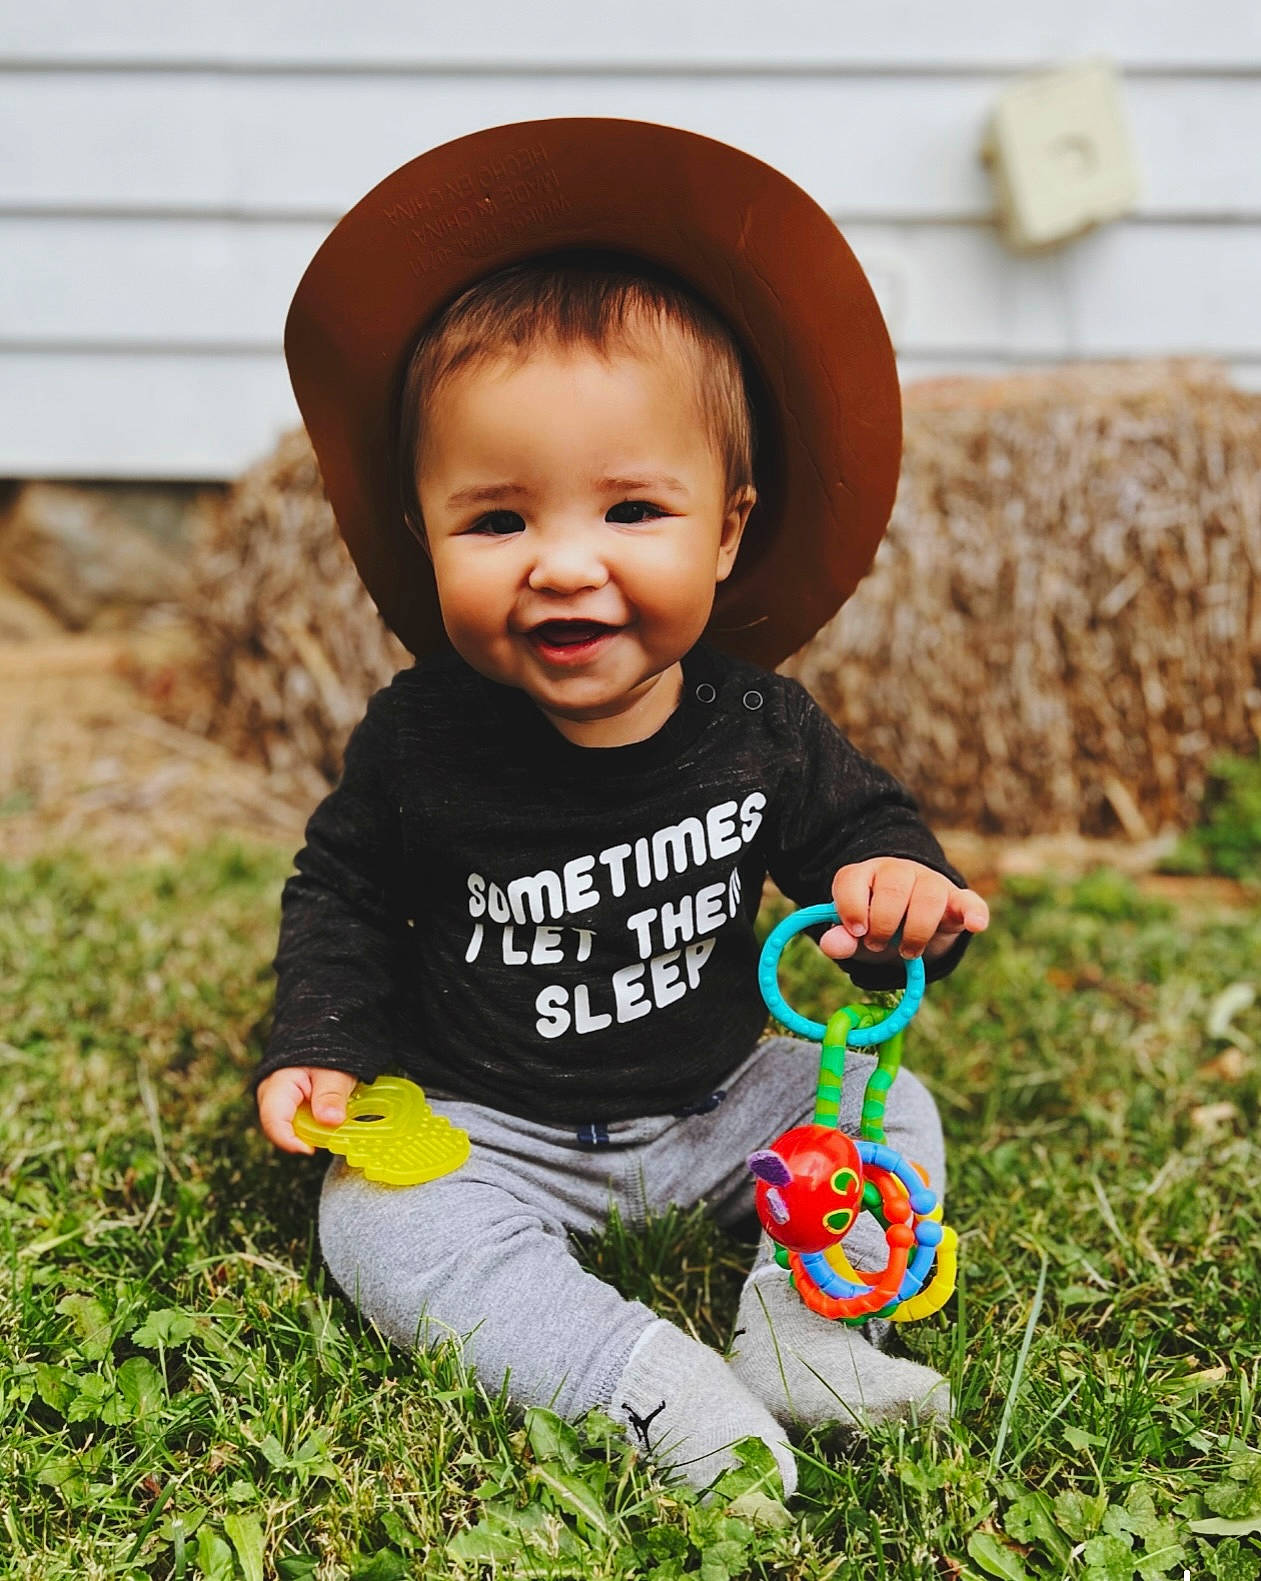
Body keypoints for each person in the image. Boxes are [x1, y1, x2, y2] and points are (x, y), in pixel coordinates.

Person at [253, 119, 989, 1500]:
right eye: (497, 521)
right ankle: (643, 1381)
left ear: (725, 528)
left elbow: (863, 838)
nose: (564, 566)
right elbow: (340, 893)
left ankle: (803, 1329)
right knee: (374, 1223)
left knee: (891, 1114)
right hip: (499, 1128)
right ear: (423, 539)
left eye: (632, 508)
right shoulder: (421, 738)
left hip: (718, 1102)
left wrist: (899, 888)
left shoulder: (757, 726)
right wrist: (322, 1042)